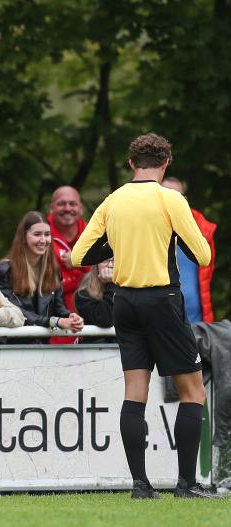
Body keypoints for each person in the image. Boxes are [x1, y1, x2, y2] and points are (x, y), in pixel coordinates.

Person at [72, 132, 219, 499]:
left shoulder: (113, 200)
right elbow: (202, 256)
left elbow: (79, 256)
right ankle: (186, 484)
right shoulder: (171, 199)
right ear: (166, 163)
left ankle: (140, 485)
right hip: (162, 300)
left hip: (124, 302)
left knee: (134, 391)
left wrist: (115, 244)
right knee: (193, 391)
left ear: (131, 164)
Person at [0, 211, 84, 343]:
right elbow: (15, 312)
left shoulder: (53, 270)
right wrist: (55, 321)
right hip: (11, 347)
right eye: (37, 234)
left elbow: (59, 308)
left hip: (42, 347)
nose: (43, 240)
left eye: (47, 234)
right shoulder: (5, 270)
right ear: (23, 237)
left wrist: (71, 316)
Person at [161, 177, 217, 324]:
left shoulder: (202, 230)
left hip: (197, 321)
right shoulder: (148, 229)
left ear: (185, 199)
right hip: (160, 321)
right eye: (167, 196)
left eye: (178, 196)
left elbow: (207, 275)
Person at [48, 186, 90, 313]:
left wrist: (80, 261)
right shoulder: (40, 235)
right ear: (51, 208)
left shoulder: (93, 234)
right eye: (61, 204)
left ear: (81, 209)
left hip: (89, 311)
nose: (67, 208)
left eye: (72, 204)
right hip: (51, 312)